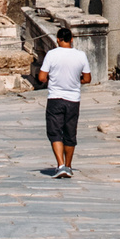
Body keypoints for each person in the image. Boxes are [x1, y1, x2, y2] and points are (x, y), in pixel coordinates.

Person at [33, 25, 93, 178]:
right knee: (70, 134)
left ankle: (60, 165)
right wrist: (77, 80)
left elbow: (41, 77)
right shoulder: (81, 55)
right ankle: (69, 166)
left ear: (58, 40)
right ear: (72, 39)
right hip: (73, 99)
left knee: (55, 133)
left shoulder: (52, 55)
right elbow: (87, 78)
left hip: (55, 98)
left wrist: (52, 80)